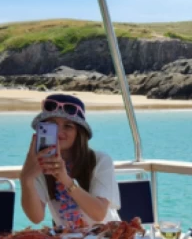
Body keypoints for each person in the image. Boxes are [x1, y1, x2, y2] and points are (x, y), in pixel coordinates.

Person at [20, 94, 121, 229]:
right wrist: (25, 179)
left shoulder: (100, 161)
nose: (60, 132)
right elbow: (36, 218)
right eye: (52, 126)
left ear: (79, 133)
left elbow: (99, 214)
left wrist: (65, 180)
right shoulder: (39, 165)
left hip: (108, 237)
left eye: (68, 126)